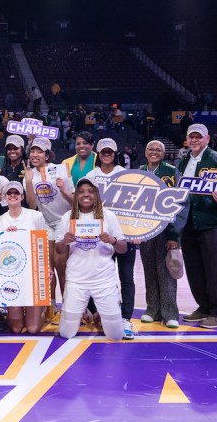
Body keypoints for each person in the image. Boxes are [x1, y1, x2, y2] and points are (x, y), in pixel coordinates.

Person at [55, 176, 127, 340]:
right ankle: (85, 310)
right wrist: (64, 242)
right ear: (76, 195)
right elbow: (59, 250)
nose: (85, 195)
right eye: (81, 192)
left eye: (90, 191)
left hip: (104, 280)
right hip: (76, 279)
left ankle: (98, 313)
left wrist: (113, 241)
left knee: (116, 335)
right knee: (66, 333)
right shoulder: (68, 217)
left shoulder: (108, 216)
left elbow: (123, 248)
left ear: (96, 194)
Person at [177, 124, 217, 329]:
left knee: (214, 269)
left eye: (198, 137)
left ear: (207, 139)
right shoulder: (183, 161)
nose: (194, 140)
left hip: (210, 222)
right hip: (188, 223)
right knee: (194, 269)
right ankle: (204, 307)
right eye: (191, 137)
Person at [86, 137, 138, 338]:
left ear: (115, 154)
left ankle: (126, 317)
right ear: (98, 154)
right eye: (103, 151)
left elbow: (136, 206)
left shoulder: (125, 174)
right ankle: (99, 312)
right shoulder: (91, 175)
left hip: (123, 233)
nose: (106, 154)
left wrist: (136, 232)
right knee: (97, 275)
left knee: (126, 276)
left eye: (110, 151)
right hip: (99, 234)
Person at [23, 137, 75, 324]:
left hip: (64, 221)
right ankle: (50, 306)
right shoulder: (29, 174)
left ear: (47, 155)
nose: (35, 154)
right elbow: (31, 204)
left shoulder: (61, 169)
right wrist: (29, 182)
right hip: (45, 222)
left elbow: (74, 202)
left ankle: (69, 307)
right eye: (32, 151)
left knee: (62, 266)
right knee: (47, 268)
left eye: (40, 151)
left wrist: (63, 189)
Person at [137, 140, 187, 329]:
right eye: (151, 149)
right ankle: (152, 310)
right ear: (145, 152)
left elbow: (181, 203)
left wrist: (174, 235)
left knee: (166, 271)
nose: (154, 152)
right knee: (149, 270)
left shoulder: (172, 172)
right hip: (145, 229)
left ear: (164, 154)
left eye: (158, 150)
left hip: (166, 229)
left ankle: (170, 313)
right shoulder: (139, 171)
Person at [0, 181, 46, 333]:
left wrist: (46, 267)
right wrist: (5, 237)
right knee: (16, 329)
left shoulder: (36, 216)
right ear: (5, 197)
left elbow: (43, 243)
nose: (13, 195)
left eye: (16, 193)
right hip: (11, 274)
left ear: (22, 196)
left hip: (32, 272)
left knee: (33, 329)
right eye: (9, 193)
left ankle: (42, 311)